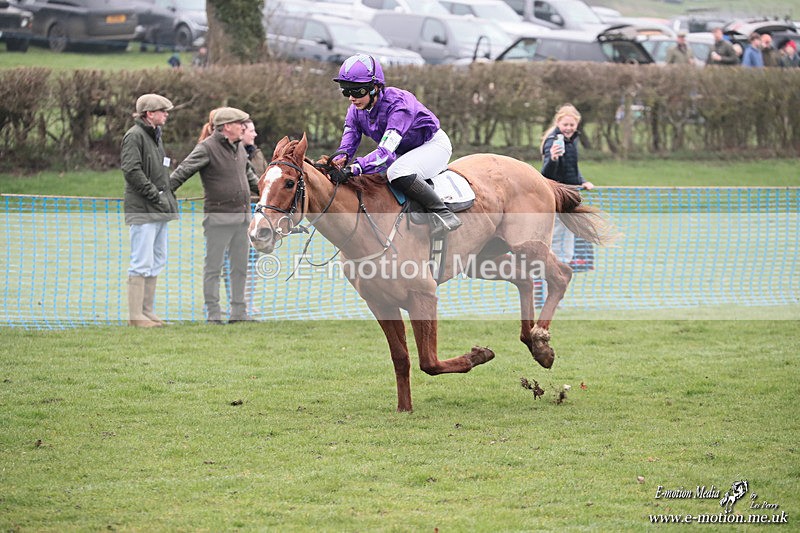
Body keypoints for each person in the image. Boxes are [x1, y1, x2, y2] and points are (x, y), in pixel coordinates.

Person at [329, 53, 461, 236]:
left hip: (432, 145)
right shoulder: (355, 110)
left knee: (396, 172)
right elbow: (347, 144)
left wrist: (354, 168)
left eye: (357, 91)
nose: (351, 97)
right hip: (405, 151)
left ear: (375, 87)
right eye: (346, 91)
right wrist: (336, 163)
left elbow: (385, 154)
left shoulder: (400, 105)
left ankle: (443, 213)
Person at [169, 107, 260, 324]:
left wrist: (270, 194)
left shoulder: (239, 148)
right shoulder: (206, 148)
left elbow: (251, 179)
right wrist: (162, 194)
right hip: (218, 219)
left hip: (242, 219)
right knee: (214, 268)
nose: (244, 127)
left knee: (240, 268)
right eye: (240, 124)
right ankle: (213, 314)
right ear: (227, 126)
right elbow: (182, 172)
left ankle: (239, 314)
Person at [120, 93, 178, 328]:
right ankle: (136, 317)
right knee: (141, 261)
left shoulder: (155, 136)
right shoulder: (134, 136)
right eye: (163, 111)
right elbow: (132, 171)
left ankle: (147, 311)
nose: (166, 114)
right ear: (149, 114)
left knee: (157, 259)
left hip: (158, 209)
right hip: (143, 208)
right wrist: (155, 195)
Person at [539, 104, 593, 265]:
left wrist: (582, 181)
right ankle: (556, 262)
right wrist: (553, 158)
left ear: (577, 124)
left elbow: (571, 168)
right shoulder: (552, 142)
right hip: (558, 193)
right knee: (558, 229)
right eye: (565, 125)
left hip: (571, 191)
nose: (568, 128)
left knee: (573, 225)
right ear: (558, 123)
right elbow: (546, 173)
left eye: (572, 125)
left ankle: (568, 260)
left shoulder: (571, 141)